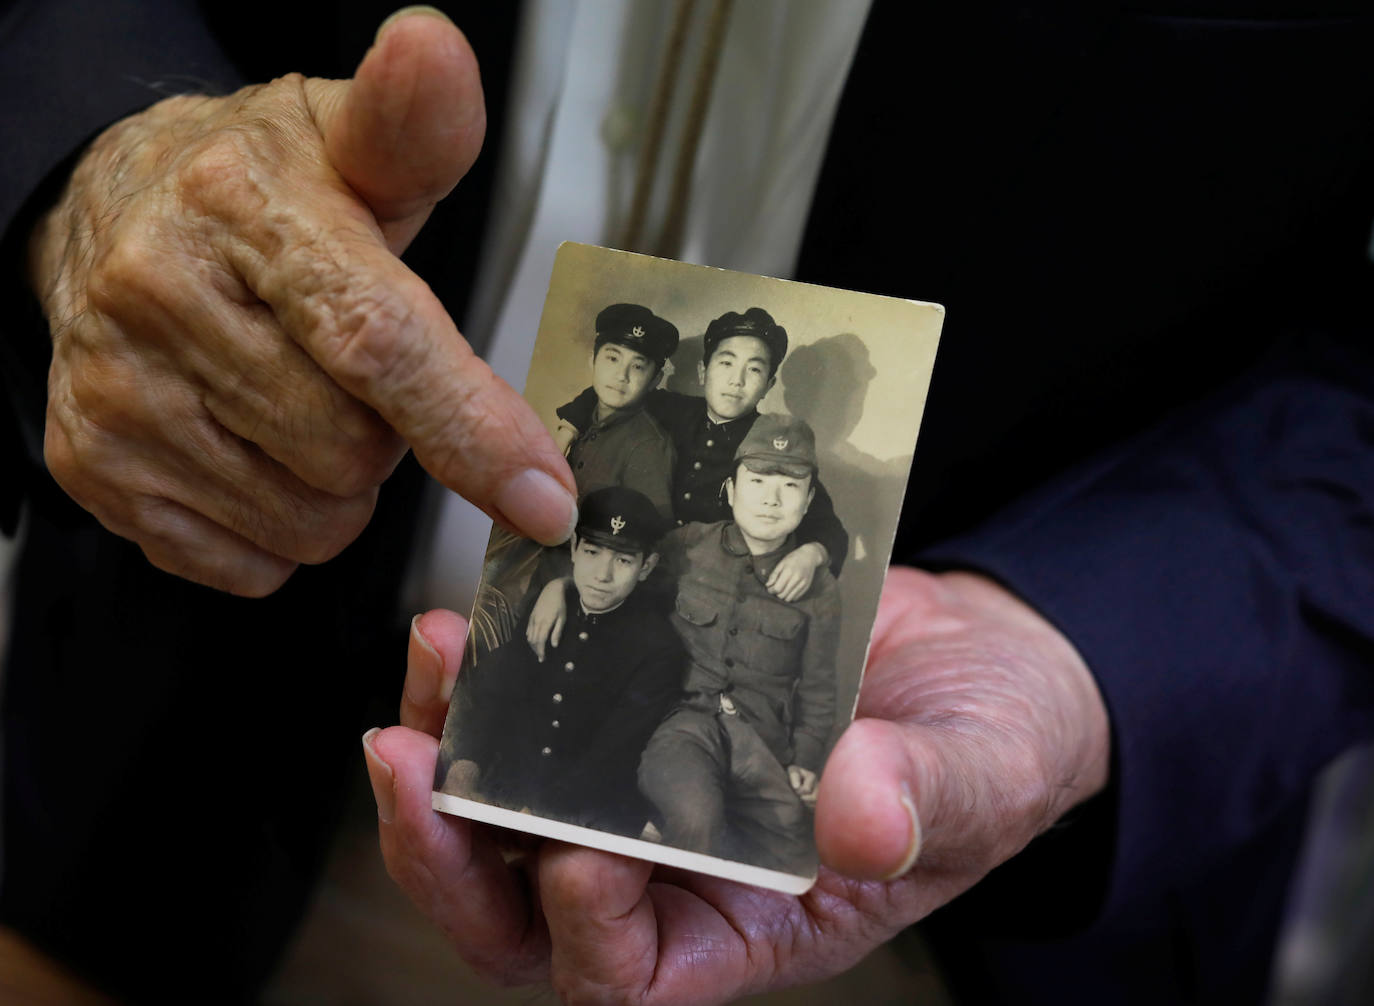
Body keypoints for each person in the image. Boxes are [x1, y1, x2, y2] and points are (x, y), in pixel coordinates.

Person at [2, 4, 1371, 1006]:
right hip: (194, 790)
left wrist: (1090, 640)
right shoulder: (630, 429)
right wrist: (81, 172)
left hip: (960, 904)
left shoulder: (767, 501)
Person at [635, 414, 839, 875]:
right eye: (758, 480)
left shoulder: (820, 588)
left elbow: (818, 691)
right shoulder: (686, 547)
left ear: (808, 501)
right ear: (730, 490)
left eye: (790, 486)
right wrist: (563, 590)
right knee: (695, 814)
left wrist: (804, 759)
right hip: (680, 726)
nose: (770, 498)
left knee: (793, 847)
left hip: (763, 741)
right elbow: (623, 589)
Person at [433, 485, 683, 839]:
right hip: (506, 784)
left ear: (647, 567)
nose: (602, 574)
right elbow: (499, 692)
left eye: (623, 560)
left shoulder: (659, 649)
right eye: (593, 552)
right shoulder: (548, 605)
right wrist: (466, 767)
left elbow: (611, 758)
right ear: (574, 549)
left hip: (583, 816)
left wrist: (533, 812)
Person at [555, 306, 850, 597]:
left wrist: (811, 554)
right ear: (703, 370)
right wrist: (568, 426)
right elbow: (612, 389)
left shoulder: (771, 444)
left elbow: (827, 526)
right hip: (635, 577)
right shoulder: (669, 409)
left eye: (755, 369)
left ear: (768, 386)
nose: (737, 380)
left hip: (707, 590)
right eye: (726, 363)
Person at [555, 303, 679, 517]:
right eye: (613, 359)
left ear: (654, 380)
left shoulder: (649, 446)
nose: (622, 375)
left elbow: (648, 532)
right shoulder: (588, 416)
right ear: (593, 362)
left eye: (638, 366)